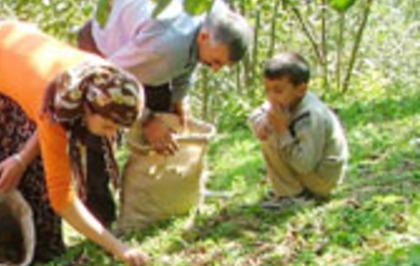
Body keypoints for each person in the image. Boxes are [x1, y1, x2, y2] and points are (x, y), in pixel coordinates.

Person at [0, 20, 148, 266]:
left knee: (28, 164)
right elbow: (63, 198)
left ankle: (39, 249)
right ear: (86, 108)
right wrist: (119, 248)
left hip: (15, 52)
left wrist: (20, 160)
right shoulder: (66, 93)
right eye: (107, 127)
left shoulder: (103, 80)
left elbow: (46, 116)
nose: (109, 134)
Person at [78, 0, 252, 154]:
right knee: (101, 131)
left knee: (166, 116)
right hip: (102, 49)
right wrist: (147, 120)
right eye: (216, 62)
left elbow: (190, 60)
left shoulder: (212, 13)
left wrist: (178, 99)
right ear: (204, 37)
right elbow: (109, 78)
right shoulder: (164, 49)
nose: (215, 70)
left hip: (142, 49)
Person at [248, 52, 349, 207]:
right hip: (309, 171)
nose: (271, 97)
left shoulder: (311, 115)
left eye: (278, 90)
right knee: (268, 125)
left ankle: (294, 196)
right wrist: (260, 122)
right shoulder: (286, 102)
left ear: (300, 90)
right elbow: (257, 112)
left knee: (273, 132)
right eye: (267, 90)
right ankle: (291, 190)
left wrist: (282, 131)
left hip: (323, 179)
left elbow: (305, 164)